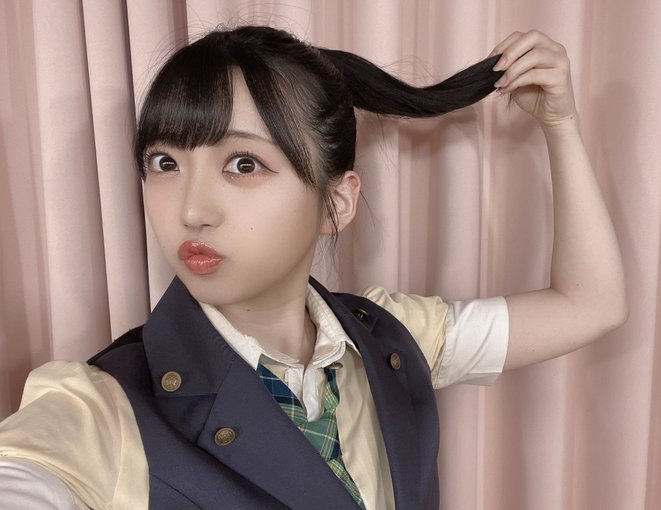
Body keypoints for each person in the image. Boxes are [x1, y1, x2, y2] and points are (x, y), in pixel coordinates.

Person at [0, 25, 626, 509]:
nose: (190, 211)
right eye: (165, 163)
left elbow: (589, 304)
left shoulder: (387, 340)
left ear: (337, 202)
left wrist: (561, 125)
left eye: (243, 164)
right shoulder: (102, 405)